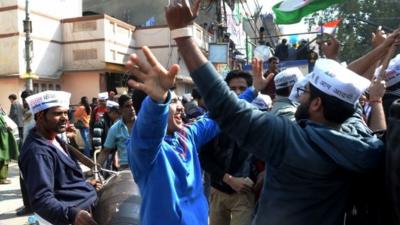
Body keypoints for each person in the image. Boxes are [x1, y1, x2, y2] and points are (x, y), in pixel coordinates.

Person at [164, 2, 385, 225]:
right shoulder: (360, 141)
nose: (300, 97)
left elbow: (226, 107)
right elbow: (348, 97)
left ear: (317, 104)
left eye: (305, 92)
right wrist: (382, 51)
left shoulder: (290, 140)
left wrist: (182, 33)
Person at [125, 45, 257, 225]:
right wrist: (158, 102)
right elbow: (148, 132)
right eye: (172, 102)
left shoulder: (186, 135)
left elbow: (218, 116)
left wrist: (253, 91)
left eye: (178, 100)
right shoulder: (144, 151)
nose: (180, 107)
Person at [19, 90, 98, 225]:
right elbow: (42, 200)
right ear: (40, 115)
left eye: (66, 113)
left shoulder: (54, 139)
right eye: (57, 113)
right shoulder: (37, 152)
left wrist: (85, 185)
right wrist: (73, 215)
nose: (65, 118)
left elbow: (62, 182)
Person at [199, 70, 261, 225]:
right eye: (232, 89)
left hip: (245, 193)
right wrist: (228, 179)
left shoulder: (259, 121)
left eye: (242, 88)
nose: (237, 93)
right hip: (218, 190)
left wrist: (260, 176)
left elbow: (266, 154)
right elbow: (204, 158)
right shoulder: (214, 121)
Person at [97, 95, 135, 170]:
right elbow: (105, 152)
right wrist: (95, 169)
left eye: (132, 105)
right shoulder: (115, 128)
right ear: (120, 109)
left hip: (143, 165)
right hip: (125, 168)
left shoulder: (143, 124)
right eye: (127, 106)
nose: (132, 108)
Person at [0, 112, 19, 184]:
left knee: (5, 159)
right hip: (2, 140)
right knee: (3, 158)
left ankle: (3, 178)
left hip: (4, 138)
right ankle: (2, 178)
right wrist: (5, 126)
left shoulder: (1, 114)